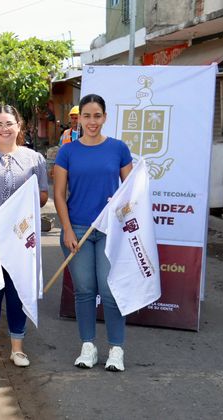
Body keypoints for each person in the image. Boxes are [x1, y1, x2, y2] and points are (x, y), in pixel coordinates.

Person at [53, 94, 133, 372]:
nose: (92, 121)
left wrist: (120, 204)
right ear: (79, 119)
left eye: (97, 116)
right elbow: (59, 195)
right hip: (77, 229)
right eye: (86, 116)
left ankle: (116, 349)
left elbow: (131, 192)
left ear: (105, 117)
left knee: (110, 291)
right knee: (85, 291)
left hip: (110, 231)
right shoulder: (68, 151)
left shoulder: (118, 149)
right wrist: (65, 228)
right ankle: (88, 345)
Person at [0, 105, 49, 371]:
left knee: (17, 291)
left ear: (19, 126)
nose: (4, 129)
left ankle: (18, 348)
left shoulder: (34, 159)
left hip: (20, 234)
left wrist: (22, 206)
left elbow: (43, 196)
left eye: (9, 123)